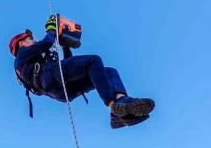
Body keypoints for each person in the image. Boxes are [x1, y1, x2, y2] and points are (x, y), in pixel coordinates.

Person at [9, 15, 155, 129]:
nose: (33, 40)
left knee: (109, 72)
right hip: (51, 78)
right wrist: (52, 29)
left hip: (60, 90)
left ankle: (121, 102)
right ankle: (112, 106)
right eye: (30, 39)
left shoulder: (31, 62)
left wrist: (65, 48)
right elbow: (47, 42)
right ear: (21, 43)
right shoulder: (21, 55)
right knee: (93, 61)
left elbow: (70, 67)